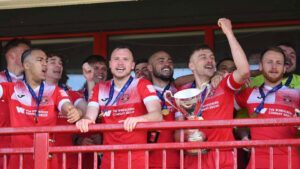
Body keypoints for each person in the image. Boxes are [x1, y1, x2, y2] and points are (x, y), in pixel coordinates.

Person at [177, 18, 250, 169]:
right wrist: (187, 136)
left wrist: (229, 33)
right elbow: (178, 130)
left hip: (222, 154)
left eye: (212, 57)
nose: (209, 60)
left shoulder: (223, 84)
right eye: (203, 57)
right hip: (193, 156)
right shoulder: (183, 94)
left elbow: (244, 71)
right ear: (192, 66)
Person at [76, 46, 162, 169]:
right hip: (108, 161)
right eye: (116, 59)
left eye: (125, 59)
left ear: (132, 65)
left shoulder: (141, 84)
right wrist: (86, 119)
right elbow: (90, 116)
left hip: (137, 161)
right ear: (110, 64)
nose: (120, 63)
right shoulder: (99, 88)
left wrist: (137, 119)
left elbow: (157, 115)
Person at [0, 48, 82, 169]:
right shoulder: (11, 88)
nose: (45, 63)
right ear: (26, 65)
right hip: (19, 161)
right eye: (40, 60)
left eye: (46, 60)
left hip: (47, 160)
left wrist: (73, 111)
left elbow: (66, 105)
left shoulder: (55, 91)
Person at [235, 46, 300, 169]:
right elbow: (223, 108)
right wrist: (243, 135)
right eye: (269, 62)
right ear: (260, 66)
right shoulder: (249, 93)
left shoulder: (297, 94)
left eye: (279, 63)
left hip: (290, 162)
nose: (274, 67)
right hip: (257, 161)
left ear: (285, 68)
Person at [45, 53, 87, 169]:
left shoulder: (71, 93)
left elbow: (85, 108)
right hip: (41, 156)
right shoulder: (33, 92)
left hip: (66, 158)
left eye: (60, 63)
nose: (58, 66)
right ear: (43, 66)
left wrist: (78, 112)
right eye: (53, 62)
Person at [0, 38, 31, 168]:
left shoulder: (35, 84)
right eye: (25, 52)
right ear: (11, 55)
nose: (29, 57)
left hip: (26, 146)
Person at [147, 51, 180, 169]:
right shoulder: (142, 92)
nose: (167, 64)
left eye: (169, 61)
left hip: (177, 160)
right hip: (147, 160)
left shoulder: (180, 91)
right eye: (161, 61)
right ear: (149, 68)